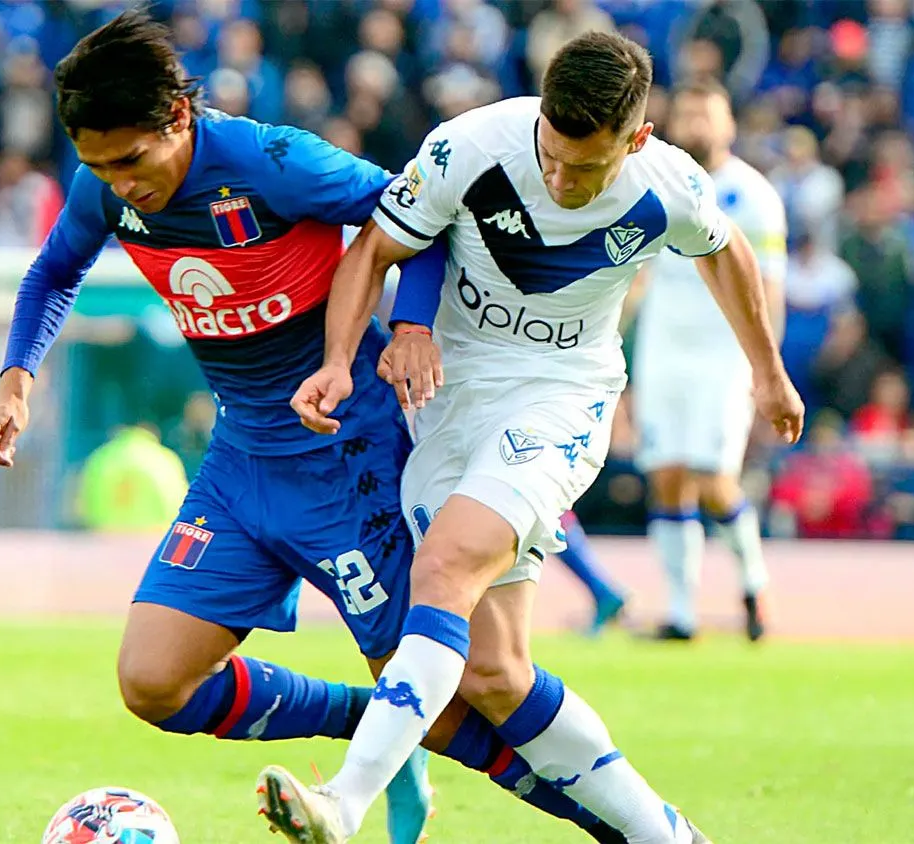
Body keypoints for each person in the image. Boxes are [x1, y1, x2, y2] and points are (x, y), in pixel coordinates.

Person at [0, 12, 621, 844]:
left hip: (352, 460)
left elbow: (420, 220)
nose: (119, 183)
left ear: (178, 118)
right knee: (152, 681)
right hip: (241, 462)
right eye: (98, 165)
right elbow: (53, 271)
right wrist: (15, 386)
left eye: (131, 160)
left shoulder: (272, 163)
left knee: (460, 706)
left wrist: (412, 328)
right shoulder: (105, 186)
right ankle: (373, 723)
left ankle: (633, 830)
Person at [271, 32, 803, 843]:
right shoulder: (472, 147)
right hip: (449, 399)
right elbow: (379, 245)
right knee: (493, 672)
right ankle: (666, 835)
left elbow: (723, 253)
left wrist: (766, 370)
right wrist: (342, 361)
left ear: (638, 140)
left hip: (562, 400)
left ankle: (344, 803)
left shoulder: (670, 187)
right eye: (551, 156)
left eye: (584, 168)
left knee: (443, 567)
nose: (559, 178)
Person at [393, 239, 629, 635]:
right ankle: (600, 588)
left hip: (511, 382)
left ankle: (600, 588)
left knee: (503, 495)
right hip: (464, 378)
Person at [629, 81, 788, 642]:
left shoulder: (754, 194)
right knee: (666, 476)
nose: (695, 122)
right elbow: (635, 274)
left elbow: (769, 287)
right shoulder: (655, 178)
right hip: (664, 347)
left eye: (707, 114)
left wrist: (767, 368)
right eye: (688, 112)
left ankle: (753, 584)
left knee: (715, 479)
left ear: (729, 125)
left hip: (724, 354)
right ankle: (680, 614)